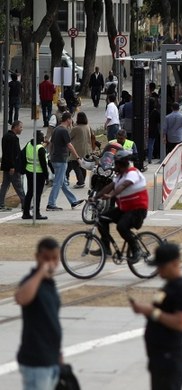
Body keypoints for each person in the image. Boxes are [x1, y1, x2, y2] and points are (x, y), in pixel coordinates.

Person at [128, 243, 182, 390]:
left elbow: (180, 322)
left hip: (169, 358)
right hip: (159, 357)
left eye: (162, 266)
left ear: (175, 263)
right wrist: (145, 310)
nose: (158, 271)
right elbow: (160, 311)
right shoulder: (168, 285)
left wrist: (152, 312)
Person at [16, 238, 63, 390]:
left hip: (51, 358)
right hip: (36, 360)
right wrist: (40, 273)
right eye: (46, 258)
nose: (51, 262)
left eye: (55, 258)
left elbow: (52, 320)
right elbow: (21, 298)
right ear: (37, 257)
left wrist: (58, 353)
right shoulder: (31, 281)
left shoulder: (50, 284)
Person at [91, 151, 148, 259]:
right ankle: (106, 248)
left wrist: (111, 195)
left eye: (115, 163)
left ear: (120, 164)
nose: (114, 165)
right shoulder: (119, 176)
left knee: (121, 227)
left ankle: (136, 250)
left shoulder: (132, 173)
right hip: (125, 209)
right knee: (102, 219)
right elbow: (110, 186)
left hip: (137, 210)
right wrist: (95, 197)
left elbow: (124, 186)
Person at [46, 112, 84, 212]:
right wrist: (77, 157)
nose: (72, 121)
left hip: (55, 158)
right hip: (61, 159)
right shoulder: (64, 131)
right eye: (71, 119)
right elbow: (69, 145)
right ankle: (51, 204)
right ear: (68, 119)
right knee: (58, 183)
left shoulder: (56, 129)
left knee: (63, 183)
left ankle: (73, 201)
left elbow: (51, 143)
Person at [21, 131, 49, 220]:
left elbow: (23, 155)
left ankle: (25, 213)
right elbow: (43, 164)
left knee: (29, 192)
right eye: (42, 136)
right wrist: (46, 176)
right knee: (37, 194)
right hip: (39, 173)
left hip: (29, 171)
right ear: (39, 138)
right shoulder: (40, 148)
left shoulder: (29, 144)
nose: (43, 137)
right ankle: (36, 213)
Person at [0, 121, 26, 211]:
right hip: (12, 167)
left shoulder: (5, 136)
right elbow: (12, 154)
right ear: (15, 127)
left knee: (5, 185)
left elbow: (6, 153)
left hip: (6, 165)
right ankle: (25, 204)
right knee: (18, 186)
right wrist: (13, 166)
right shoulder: (13, 138)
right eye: (21, 127)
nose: (22, 129)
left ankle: (1, 204)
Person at [67, 112, 95, 189]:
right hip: (87, 150)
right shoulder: (88, 126)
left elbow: (69, 137)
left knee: (75, 165)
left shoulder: (76, 128)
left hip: (77, 150)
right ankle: (82, 180)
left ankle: (80, 181)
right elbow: (93, 136)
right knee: (83, 166)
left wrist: (70, 126)